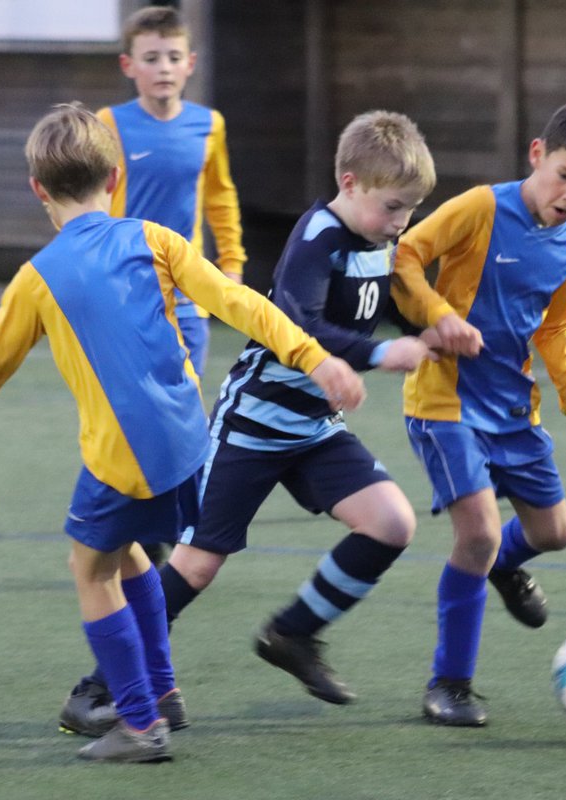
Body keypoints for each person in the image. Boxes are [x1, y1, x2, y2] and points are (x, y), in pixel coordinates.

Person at [0, 102, 364, 763]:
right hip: (187, 442)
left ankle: (140, 723)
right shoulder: (155, 239)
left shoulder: (37, 279)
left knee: (90, 568)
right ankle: (163, 692)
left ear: (37, 189)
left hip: (126, 454)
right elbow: (240, 302)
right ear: (116, 179)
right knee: (133, 556)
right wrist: (313, 356)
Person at [58, 110, 482, 733]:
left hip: (313, 427)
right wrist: (378, 353)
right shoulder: (316, 238)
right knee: (198, 563)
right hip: (254, 423)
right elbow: (301, 324)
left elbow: (381, 301)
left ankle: (292, 634)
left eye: (411, 211)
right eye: (394, 208)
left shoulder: (378, 240)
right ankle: (97, 688)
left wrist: (434, 324)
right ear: (350, 182)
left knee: (391, 523)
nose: (402, 224)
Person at [398, 97, 566, 726]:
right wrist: (440, 317)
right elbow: (404, 257)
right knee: (476, 531)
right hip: (445, 401)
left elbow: (556, 328)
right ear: (536, 154)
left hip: (513, 410)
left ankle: (499, 568)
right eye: (564, 174)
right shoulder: (480, 207)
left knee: (554, 534)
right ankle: (448, 685)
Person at [96, 5, 245, 380]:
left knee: (185, 400)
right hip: (126, 286)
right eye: (151, 58)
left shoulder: (209, 125)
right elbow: (94, 202)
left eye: (173, 57)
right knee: (132, 401)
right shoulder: (109, 123)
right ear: (128, 65)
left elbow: (220, 199)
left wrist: (231, 265)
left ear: (189, 63)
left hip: (187, 291)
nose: (164, 67)